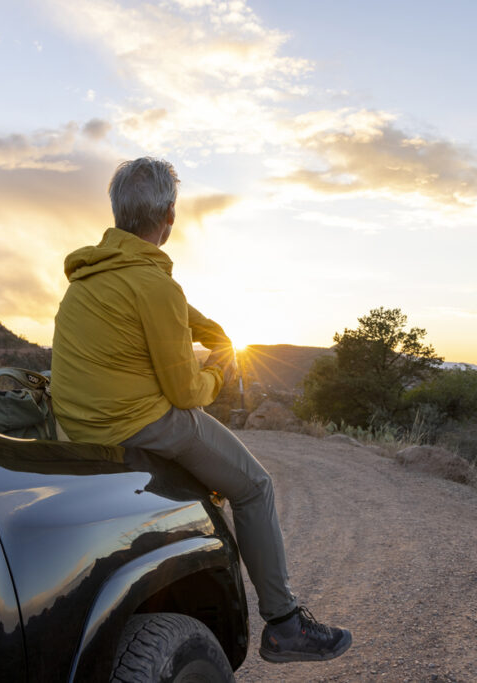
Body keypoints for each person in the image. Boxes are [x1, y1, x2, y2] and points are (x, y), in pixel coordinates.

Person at [51, 157, 352, 664]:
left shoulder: (91, 275)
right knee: (255, 486)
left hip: (79, 422)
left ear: (119, 212)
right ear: (170, 215)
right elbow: (187, 393)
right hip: (137, 422)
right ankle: (284, 625)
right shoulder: (155, 284)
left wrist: (213, 329)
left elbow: (174, 311)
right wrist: (219, 370)